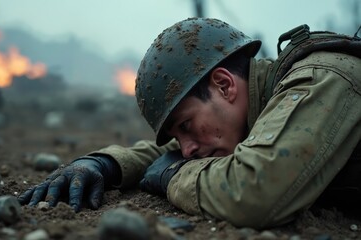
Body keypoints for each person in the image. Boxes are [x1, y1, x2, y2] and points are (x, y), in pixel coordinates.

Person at [18, 17, 361, 228]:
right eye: (177, 137)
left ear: (224, 85)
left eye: (185, 126)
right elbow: (167, 152)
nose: (187, 150)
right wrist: (102, 164)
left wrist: (173, 176)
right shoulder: (254, 107)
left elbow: (255, 191)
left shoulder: (320, 79)